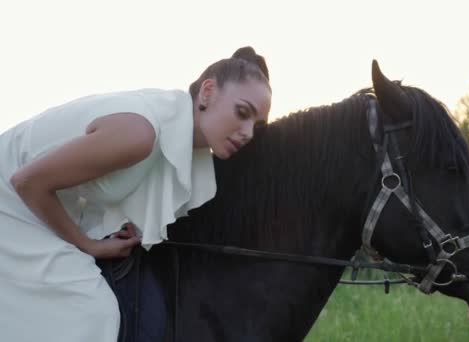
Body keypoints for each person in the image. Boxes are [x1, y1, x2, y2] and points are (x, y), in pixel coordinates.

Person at [0, 46, 272, 341]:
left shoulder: (169, 124)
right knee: (91, 310)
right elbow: (27, 182)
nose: (248, 133)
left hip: (30, 198)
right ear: (207, 92)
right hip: (11, 200)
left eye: (256, 125)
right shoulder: (140, 133)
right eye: (242, 113)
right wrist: (89, 245)